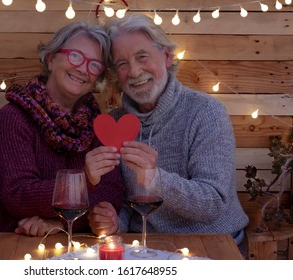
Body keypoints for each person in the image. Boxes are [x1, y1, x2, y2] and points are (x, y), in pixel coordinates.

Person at [87, 14, 249, 255]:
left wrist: (155, 179)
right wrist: (114, 221)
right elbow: (126, 203)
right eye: (122, 64)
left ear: (166, 56)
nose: (133, 71)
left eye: (142, 57)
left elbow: (213, 203)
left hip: (211, 246)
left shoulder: (206, 112)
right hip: (143, 249)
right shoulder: (117, 122)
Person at [0, 21, 124, 259]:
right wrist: (84, 180)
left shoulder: (96, 124)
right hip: (9, 246)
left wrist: (59, 223)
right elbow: (18, 196)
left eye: (94, 64)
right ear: (51, 59)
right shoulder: (12, 119)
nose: (83, 69)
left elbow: (111, 191)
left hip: (76, 249)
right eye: (75, 56)